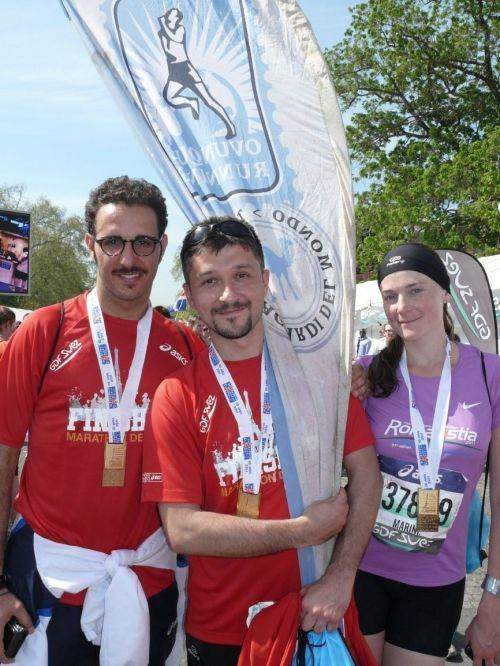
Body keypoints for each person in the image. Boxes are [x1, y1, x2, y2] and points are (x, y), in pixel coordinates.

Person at [142, 217, 382, 665]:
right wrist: (303, 530)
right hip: (221, 629)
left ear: (265, 281)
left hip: (313, 613)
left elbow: (367, 472)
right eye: (209, 282)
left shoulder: (320, 374)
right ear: (190, 295)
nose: (228, 295)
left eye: (242, 275)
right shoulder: (177, 394)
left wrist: (341, 575)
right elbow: (183, 529)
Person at [0, 176, 201, 665]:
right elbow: (2, 460)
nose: (128, 258)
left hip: (149, 577)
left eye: (143, 242)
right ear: (90, 245)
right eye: (113, 242)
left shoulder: (185, 346)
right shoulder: (44, 331)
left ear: (162, 248)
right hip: (51, 579)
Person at [352, 243, 500, 666]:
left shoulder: (490, 373)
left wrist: (493, 596)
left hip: (436, 584)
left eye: (415, 290)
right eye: (390, 296)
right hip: (361, 569)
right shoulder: (367, 373)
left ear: (445, 294)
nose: (401, 307)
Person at [158, 8, 236, 139]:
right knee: (169, 97)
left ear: (177, 18)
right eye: (170, 13)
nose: (170, 15)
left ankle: (230, 125)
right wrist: (164, 28)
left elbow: (176, 39)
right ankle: (191, 102)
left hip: (186, 69)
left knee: (209, 101)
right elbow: (168, 50)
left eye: (173, 14)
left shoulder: (180, 29)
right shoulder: (162, 32)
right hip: (175, 71)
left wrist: (164, 26)